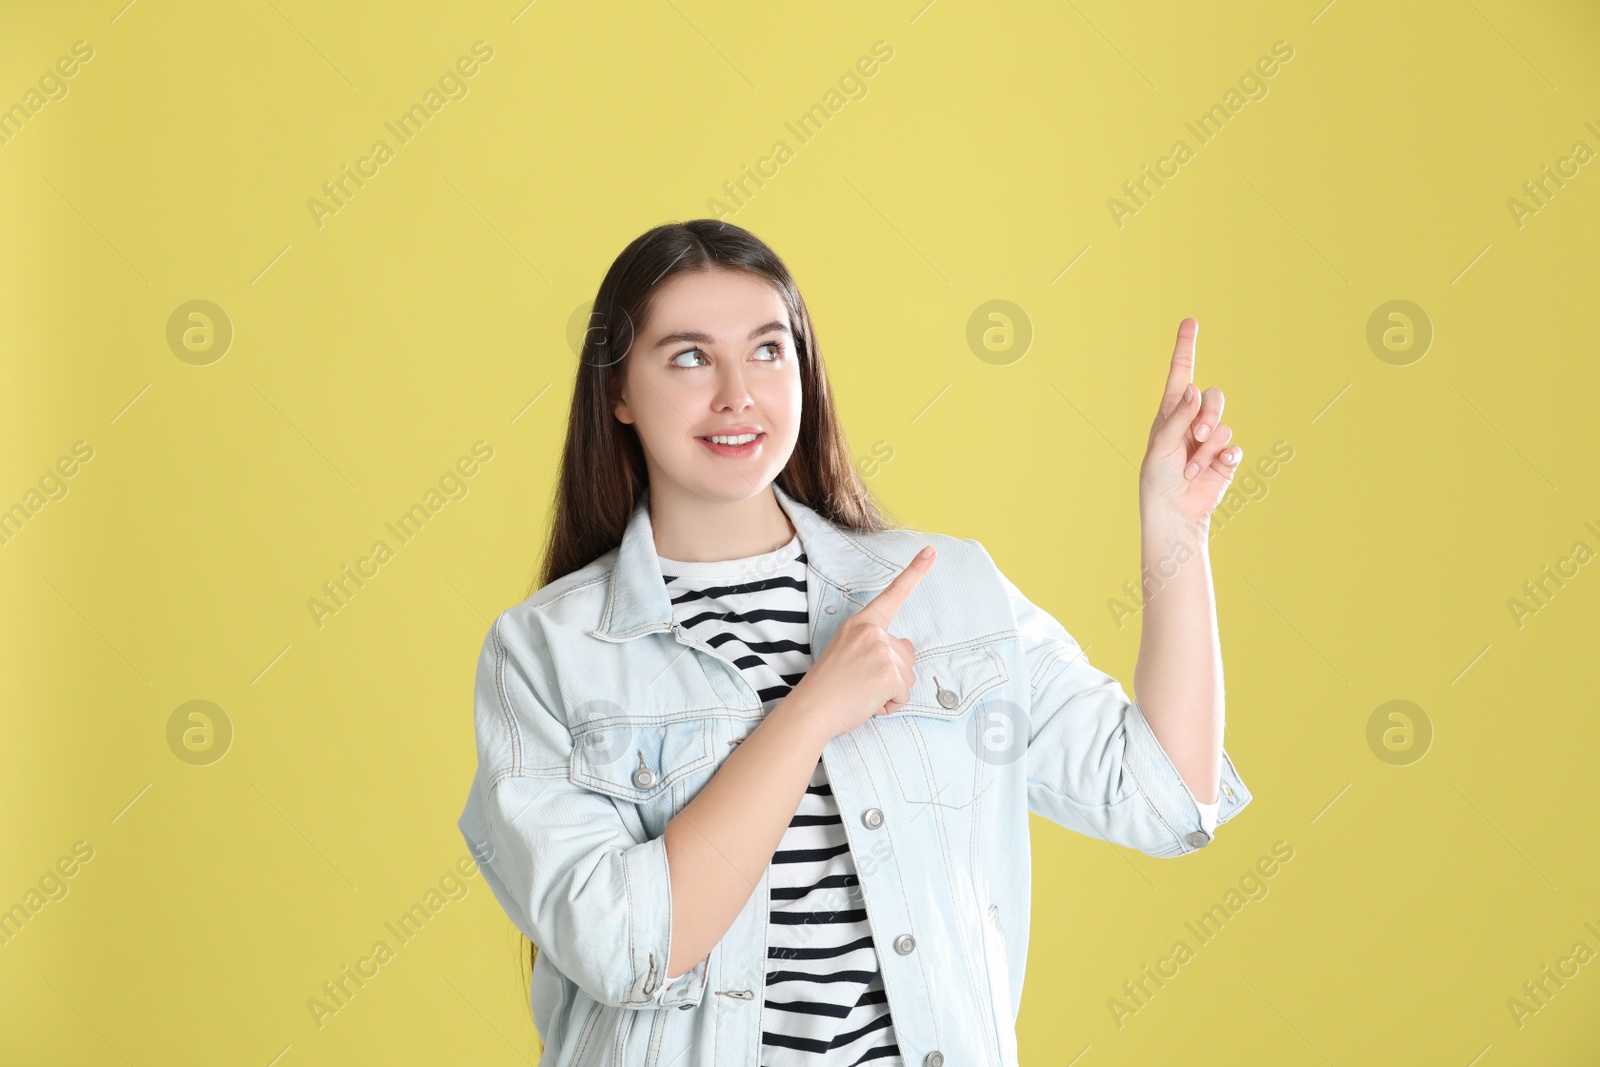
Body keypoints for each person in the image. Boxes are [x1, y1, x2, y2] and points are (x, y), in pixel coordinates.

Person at [457, 219, 1253, 1067]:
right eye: (689, 357)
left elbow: (1165, 793)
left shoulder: (942, 591)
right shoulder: (544, 653)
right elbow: (629, 945)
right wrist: (810, 715)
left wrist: (1176, 529)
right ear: (617, 391)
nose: (738, 394)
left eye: (769, 350)